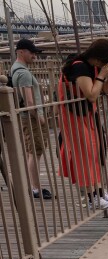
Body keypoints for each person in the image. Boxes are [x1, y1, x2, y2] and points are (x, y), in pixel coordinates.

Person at [57, 38, 108, 210]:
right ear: (98, 58)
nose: (105, 65)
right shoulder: (80, 66)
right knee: (83, 153)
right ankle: (91, 196)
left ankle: (100, 192)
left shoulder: (91, 66)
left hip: (86, 114)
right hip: (74, 115)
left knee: (95, 151)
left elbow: (104, 90)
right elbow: (91, 95)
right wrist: (101, 75)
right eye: (105, 62)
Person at [10, 39, 52, 199]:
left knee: (33, 151)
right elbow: (28, 100)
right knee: (35, 151)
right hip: (31, 118)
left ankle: (34, 186)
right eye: (31, 52)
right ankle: (35, 188)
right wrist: (39, 116)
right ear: (21, 51)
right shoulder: (23, 73)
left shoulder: (17, 69)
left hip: (27, 117)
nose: (34, 55)